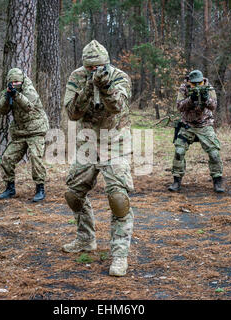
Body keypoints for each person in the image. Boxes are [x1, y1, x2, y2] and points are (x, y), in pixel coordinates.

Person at [62, 40, 134, 276]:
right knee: (73, 194)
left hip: (115, 143)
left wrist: (103, 88)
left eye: (99, 67)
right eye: (90, 68)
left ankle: (119, 255)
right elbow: (72, 113)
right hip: (88, 143)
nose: (94, 71)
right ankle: (86, 238)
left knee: (118, 198)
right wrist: (86, 89)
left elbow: (117, 106)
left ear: (107, 63)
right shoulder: (77, 77)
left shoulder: (120, 77)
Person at [0, 67, 49, 201]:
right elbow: (1, 109)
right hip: (19, 132)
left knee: (36, 158)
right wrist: (7, 97)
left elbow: (28, 106)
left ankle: (40, 188)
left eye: (17, 83)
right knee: (7, 158)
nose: (15, 85)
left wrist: (16, 95)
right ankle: (10, 188)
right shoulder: (8, 91)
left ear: (22, 81)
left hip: (36, 130)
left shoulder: (29, 90)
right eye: (12, 83)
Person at [169, 69, 225, 193]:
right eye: (193, 83)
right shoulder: (184, 88)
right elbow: (179, 106)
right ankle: (176, 181)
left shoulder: (208, 87)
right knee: (179, 151)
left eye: (198, 83)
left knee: (214, 153)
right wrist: (191, 99)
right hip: (187, 125)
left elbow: (214, 106)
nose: (196, 86)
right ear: (189, 81)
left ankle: (218, 180)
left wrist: (205, 99)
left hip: (205, 124)